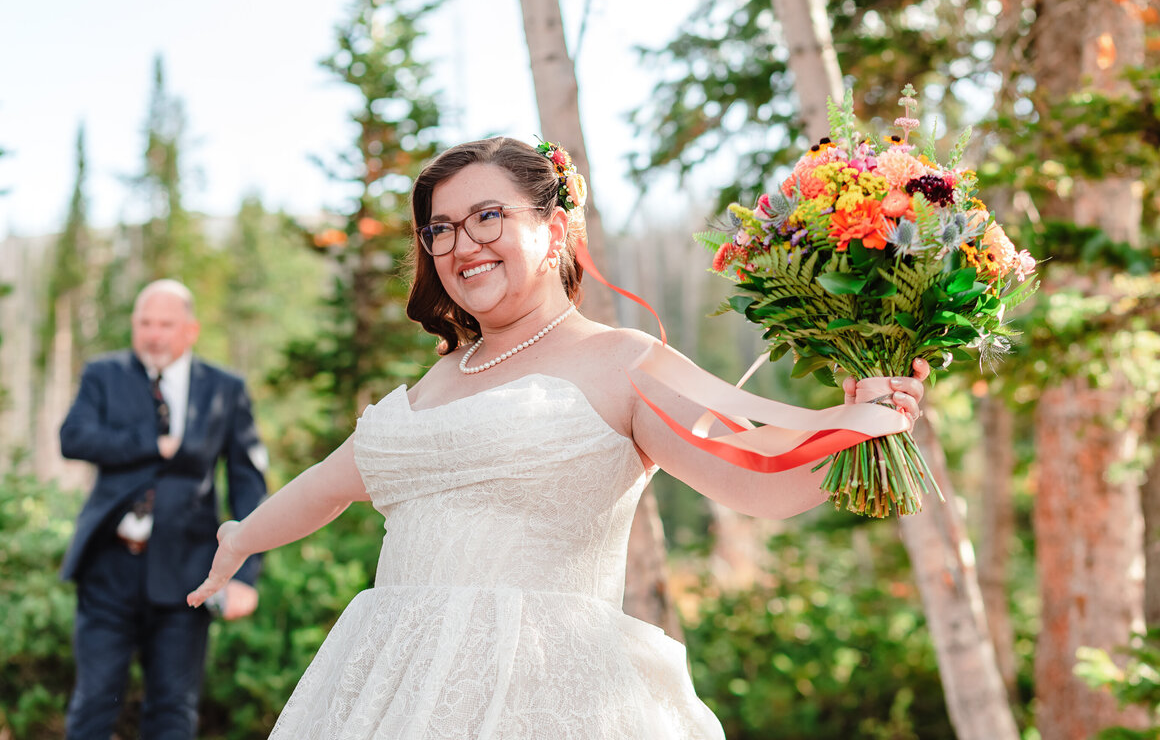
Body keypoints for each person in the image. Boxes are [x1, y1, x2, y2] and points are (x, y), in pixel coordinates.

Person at [187, 138, 928, 739]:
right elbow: (327, 483)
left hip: (548, 697)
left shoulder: (621, 361)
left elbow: (754, 481)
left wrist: (864, 426)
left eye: (486, 217)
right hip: (387, 689)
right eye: (439, 228)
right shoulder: (429, 387)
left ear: (552, 230)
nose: (459, 244)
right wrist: (240, 536)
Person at [60, 279, 269, 740]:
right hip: (108, 568)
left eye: (165, 324)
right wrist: (152, 445)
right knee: (93, 703)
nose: (153, 334)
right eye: (145, 323)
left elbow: (248, 484)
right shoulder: (104, 374)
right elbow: (72, 438)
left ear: (191, 330)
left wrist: (245, 574)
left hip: (188, 572)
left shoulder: (226, 388)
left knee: (174, 710)